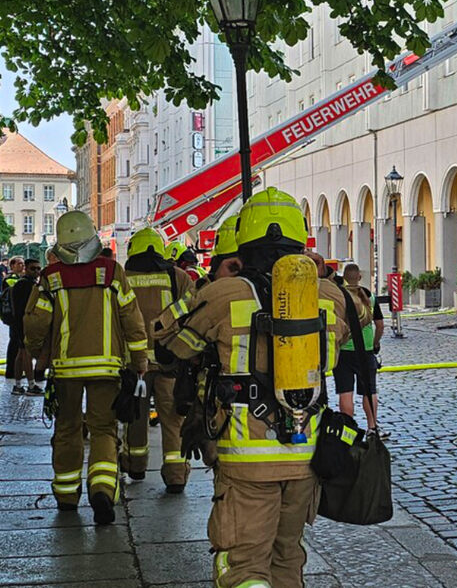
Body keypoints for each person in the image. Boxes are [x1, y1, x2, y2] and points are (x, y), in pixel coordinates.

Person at [154, 187, 367, 587]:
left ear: (244, 245)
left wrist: (210, 282)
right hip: (307, 455)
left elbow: (167, 337)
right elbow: (363, 312)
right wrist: (322, 277)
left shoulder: (224, 295)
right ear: (299, 242)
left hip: (245, 458)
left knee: (244, 566)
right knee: (288, 558)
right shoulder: (329, 296)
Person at [24, 210, 148, 524]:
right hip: (107, 367)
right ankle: (102, 489)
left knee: (67, 430)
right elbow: (132, 320)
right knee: (104, 429)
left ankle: (67, 496)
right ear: (92, 236)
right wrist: (139, 362)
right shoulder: (112, 272)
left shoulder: (50, 277)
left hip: (65, 369)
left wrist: (38, 355)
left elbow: (35, 322)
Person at [119, 227, 195, 492]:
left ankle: (135, 466)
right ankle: (176, 475)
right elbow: (193, 304)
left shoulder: (125, 278)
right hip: (170, 360)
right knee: (173, 420)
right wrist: (169, 318)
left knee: (136, 417)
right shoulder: (177, 276)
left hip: (135, 362)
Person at [334, 263, 389, 438]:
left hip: (343, 351)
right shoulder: (370, 296)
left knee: (345, 392)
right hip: (365, 350)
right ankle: (372, 427)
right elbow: (380, 325)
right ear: (359, 277)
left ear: (344, 278)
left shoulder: (339, 296)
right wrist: (375, 343)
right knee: (369, 390)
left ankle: (347, 430)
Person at [10, 259, 44, 396]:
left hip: (17, 322)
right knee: (26, 354)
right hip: (24, 322)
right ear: (26, 269)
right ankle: (31, 385)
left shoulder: (21, 284)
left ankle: (17, 385)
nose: (36, 271)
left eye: (38, 268)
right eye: (33, 268)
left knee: (20, 353)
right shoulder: (27, 285)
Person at [2, 256, 24, 381]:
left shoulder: (20, 278)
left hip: (18, 314)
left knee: (18, 342)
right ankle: (11, 371)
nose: (22, 266)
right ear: (12, 266)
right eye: (19, 264)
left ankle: (18, 368)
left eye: (23, 264)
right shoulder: (10, 279)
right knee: (14, 342)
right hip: (14, 315)